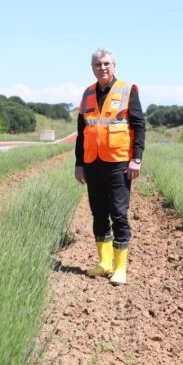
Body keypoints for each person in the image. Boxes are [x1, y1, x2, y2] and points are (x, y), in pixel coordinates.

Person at [74, 48, 145, 286]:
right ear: (92, 68)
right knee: (98, 213)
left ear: (114, 66)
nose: (102, 68)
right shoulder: (87, 94)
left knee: (118, 214)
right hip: (93, 162)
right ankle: (104, 263)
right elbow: (82, 133)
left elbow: (138, 125)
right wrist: (79, 164)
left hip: (118, 162)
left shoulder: (127, 90)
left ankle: (120, 268)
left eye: (106, 64)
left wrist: (136, 159)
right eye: (97, 64)